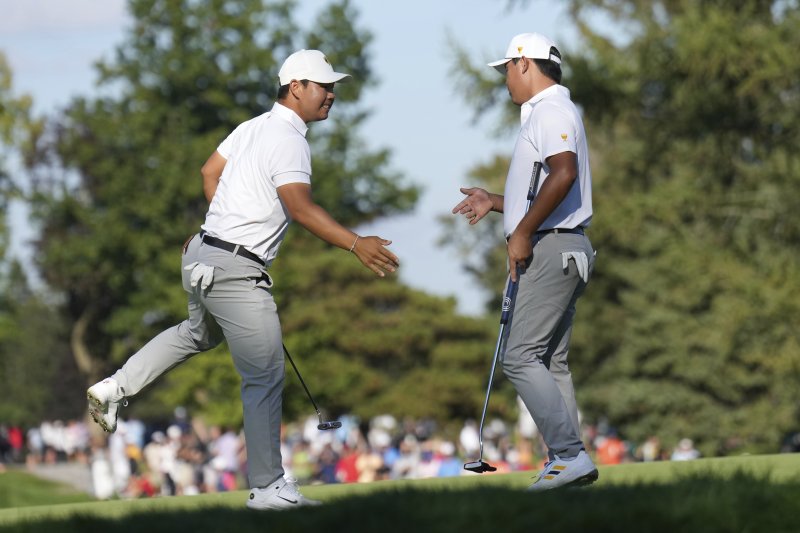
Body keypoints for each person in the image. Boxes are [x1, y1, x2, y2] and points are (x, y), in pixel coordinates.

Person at [87, 49, 400, 510]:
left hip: (202, 254)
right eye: (324, 86)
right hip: (234, 268)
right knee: (264, 374)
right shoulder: (291, 139)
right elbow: (300, 207)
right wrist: (356, 243)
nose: (332, 95)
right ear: (297, 87)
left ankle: (116, 386)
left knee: (196, 333)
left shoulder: (252, 126)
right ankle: (268, 487)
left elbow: (209, 172)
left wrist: (220, 227)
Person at [452, 33, 598, 491]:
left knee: (518, 357)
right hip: (565, 243)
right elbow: (547, 187)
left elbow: (564, 172)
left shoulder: (550, 109)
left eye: (506, 72)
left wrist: (520, 232)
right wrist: (497, 202)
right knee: (551, 363)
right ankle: (566, 460)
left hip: (550, 247)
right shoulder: (551, 111)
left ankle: (570, 455)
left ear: (524, 65)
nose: (506, 82)